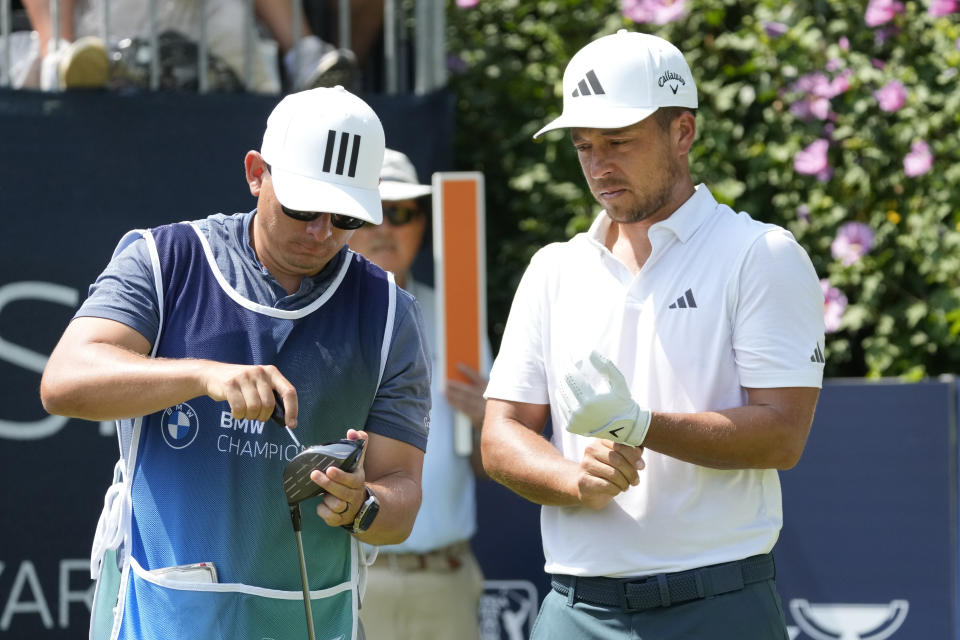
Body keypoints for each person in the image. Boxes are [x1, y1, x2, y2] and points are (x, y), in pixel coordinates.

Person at [39, 86, 430, 640]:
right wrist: (202, 375)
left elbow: (402, 497)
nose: (321, 233)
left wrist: (362, 504)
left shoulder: (391, 312)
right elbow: (64, 381)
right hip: (162, 614)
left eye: (344, 217)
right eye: (302, 207)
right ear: (255, 173)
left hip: (312, 618)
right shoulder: (165, 258)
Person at [481, 30, 825, 639]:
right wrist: (572, 480)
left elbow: (782, 435)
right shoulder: (554, 268)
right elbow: (501, 435)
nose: (599, 165)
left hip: (718, 603)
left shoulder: (759, 253)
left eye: (619, 141)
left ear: (683, 132)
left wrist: (642, 426)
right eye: (584, 146)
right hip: (576, 607)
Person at [348, 149, 488, 640]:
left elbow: (482, 461)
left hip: (443, 582)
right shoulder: (313, 318)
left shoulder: (460, 319)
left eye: (402, 212)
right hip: (347, 580)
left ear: (422, 224)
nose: (384, 227)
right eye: (370, 212)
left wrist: (489, 422)